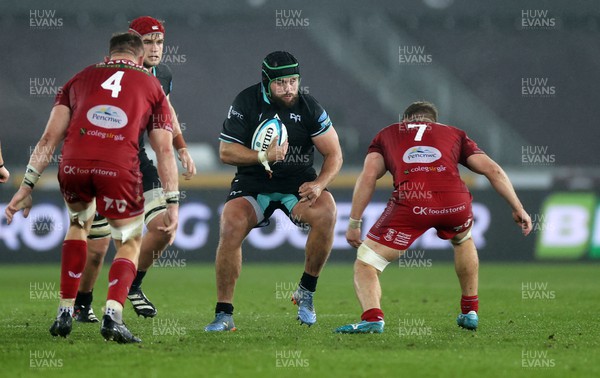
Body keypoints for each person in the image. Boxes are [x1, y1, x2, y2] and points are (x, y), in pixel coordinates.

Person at [4, 33, 180, 343]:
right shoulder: (152, 85)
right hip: (117, 166)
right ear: (140, 59)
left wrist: (26, 186)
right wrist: (172, 200)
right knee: (128, 239)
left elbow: (48, 139)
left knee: (77, 224)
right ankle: (113, 315)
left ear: (109, 55)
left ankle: (64, 310)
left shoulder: (79, 78)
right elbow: (164, 150)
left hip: (73, 165)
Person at [335, 101, 532, 334]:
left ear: (405, 121)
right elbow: (493, 170)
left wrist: (354, 222)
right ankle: (470, 310)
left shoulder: (387, 134)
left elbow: (368, 177)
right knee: (463, 239)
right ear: (433, 122)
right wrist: (518, 207)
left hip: (412, 203)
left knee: (367, 262)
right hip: (455, 203)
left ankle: (373, 318)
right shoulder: (454, 134)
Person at [204, 51, 343, 331]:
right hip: (254, 183)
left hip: (297, 183)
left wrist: (319, 184)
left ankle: (306, 290)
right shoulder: (246, 102)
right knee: (231, 224)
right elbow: (225, 151)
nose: (289, 88)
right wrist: (262, 155)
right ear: (266, 82)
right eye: (281, 83)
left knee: (327, 213)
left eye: (293, 81)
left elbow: (334, 155)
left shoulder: (308, 106)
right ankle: (224, 314)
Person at [73, 16, 197, 323]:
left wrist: (180, 145)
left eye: (159, 42)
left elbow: (167, 113)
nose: (155, 49)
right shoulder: (109, 73)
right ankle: (81, 304)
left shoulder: (162, 75)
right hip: (102, 160)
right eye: (148, 42)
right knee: (98, 249)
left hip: (137, 160)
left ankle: (132, 285)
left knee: (164, 227)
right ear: (133, 44)